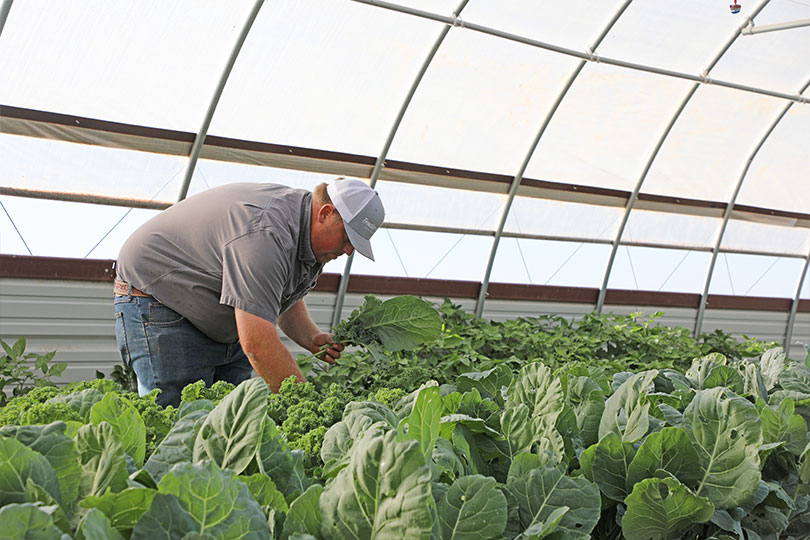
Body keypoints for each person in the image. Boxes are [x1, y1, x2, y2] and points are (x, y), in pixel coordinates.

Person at [113, 178, 385, 407]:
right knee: (175, 428)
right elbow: (257, 344)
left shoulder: (307, 235)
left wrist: (310, 336)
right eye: (347, 238)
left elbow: (273, 293)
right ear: (325, 213)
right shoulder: (266, 235)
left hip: (219, 316)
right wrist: (308, 409)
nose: (349, 251)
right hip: (160, 299)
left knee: (226, 429)